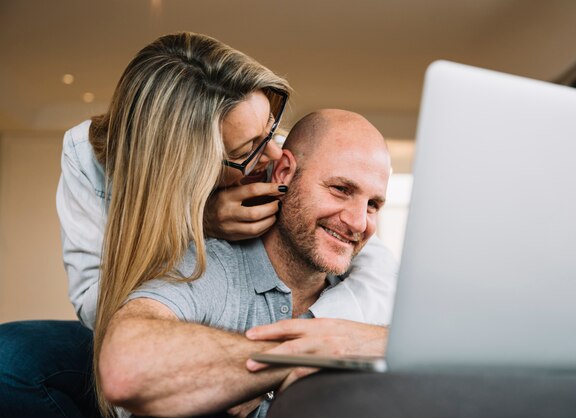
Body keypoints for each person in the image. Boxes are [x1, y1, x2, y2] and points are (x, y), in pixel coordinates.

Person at [0, 33, 396, 417]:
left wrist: (318, 339)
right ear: (192, 167)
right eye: (248, 150)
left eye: (271, 130)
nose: (275, 155)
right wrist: (196, 222)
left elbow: (362, 251)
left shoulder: (266, 145)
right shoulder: (87, 162)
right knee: (12, 359)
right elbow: (100, 305)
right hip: (140, 325)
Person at [98, 109, 392, 418]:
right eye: (341, 189)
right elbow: (126, 367)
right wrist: (306, 354)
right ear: (283, 174)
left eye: (373, 205)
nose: (358, 223)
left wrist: (375, 341)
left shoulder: (371, 291)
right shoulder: (211, 267)